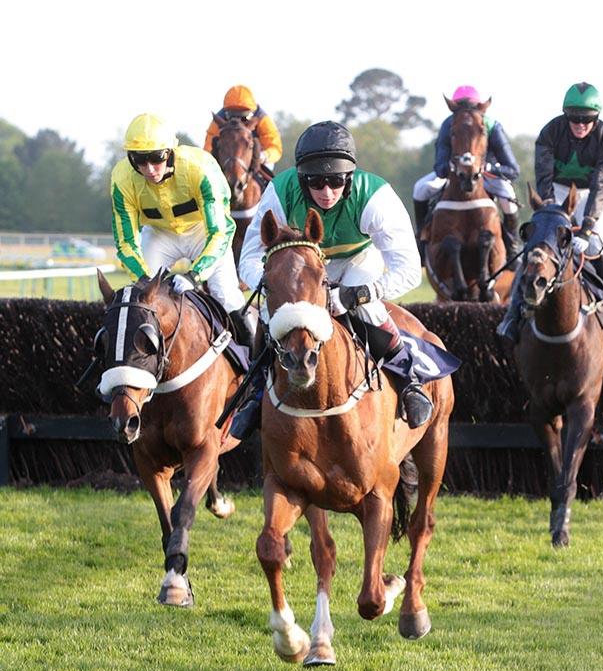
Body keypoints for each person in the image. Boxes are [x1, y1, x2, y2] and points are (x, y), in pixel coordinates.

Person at [233, 120, 432, 438]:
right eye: (316, 182)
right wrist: (277, 290)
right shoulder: (280, 192)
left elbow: (408, 268)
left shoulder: (375, 197)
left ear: (350, 178)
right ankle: (255, 396)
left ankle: (409, 381)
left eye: (337, 181)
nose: (327, 192)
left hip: (356, 263)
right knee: (273, 315)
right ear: (301, 179)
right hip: (302, 269)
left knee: (368, 310)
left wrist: (358, 294)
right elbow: (249, 257)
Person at [497, 82, 603, 347]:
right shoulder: (551, 132)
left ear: (596, 117)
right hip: (554, 192)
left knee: (597, 246)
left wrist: (587, 228)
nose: (580, 124)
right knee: (538, 246)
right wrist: (549, 210)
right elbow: (543, 176)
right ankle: (512, 316)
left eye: (587, 119)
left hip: (591, 195)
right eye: (574, 118)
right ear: (566, 116)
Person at [110, 113, 255, 349]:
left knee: (226, 295)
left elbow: (220, 232)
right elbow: (126, 243)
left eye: (156, 158)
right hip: (159, 234)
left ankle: (256, 359)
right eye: (138, 159)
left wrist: (195, 275)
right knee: (144, 296)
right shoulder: (122, 179)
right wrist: (146, 279)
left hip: (204, 233)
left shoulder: (200, 169)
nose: (149, 169)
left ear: (170, 152)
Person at [411, 85, 522, 261]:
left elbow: (513, 170)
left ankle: (513, 248)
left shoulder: (493, 127)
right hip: (455, 174)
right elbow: (440, 164)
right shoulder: (448, 124)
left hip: (486, 174)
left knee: (508, 197)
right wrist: (453, 167)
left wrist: (488, 168)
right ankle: (422, 241)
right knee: (420, 188)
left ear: (480, 110)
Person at [204, 84, 283, 176]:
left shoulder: (262, 119)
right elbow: (207, 150)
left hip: (257, 159)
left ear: (252, 113)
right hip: (227, 160)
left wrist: (263, 156)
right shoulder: (218, 120)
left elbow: (275, 147)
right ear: (226, 112)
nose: (238, 121)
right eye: (232, 116)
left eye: (243, 117)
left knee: (270, 176)